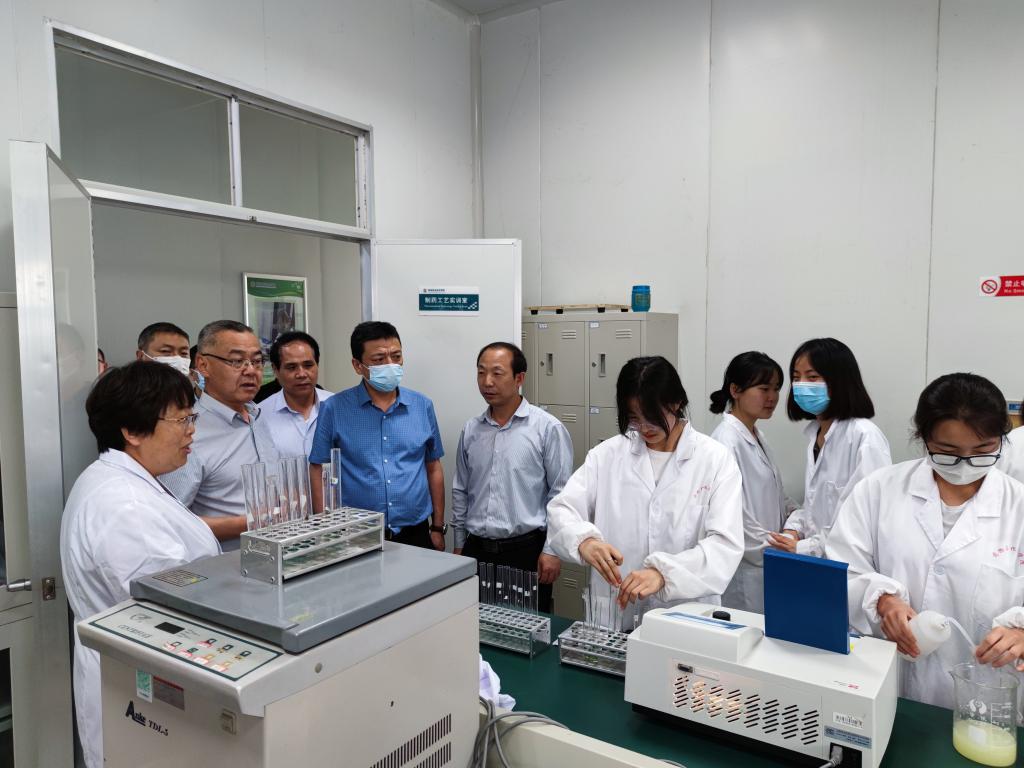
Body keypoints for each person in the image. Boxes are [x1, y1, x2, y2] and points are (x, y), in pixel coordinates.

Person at [826, 373, 1024, 709]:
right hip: (891, 687)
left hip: (988, 697)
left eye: (983, 450)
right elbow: (841, 569)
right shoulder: (879, 490)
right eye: (947, 451)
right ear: (923, 437)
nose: (965, 464)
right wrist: (882, 600)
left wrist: (1020, 633)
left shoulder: (1018, 506)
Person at [60, 361, 220, 768]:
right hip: (140, 685)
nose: (192, 431)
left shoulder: (123, 481)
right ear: (132, 431)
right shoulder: (124, 504)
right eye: (182, 419)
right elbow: (168, 608)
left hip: (135, 678)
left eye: (192, 418)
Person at [546, 356, 743, 628]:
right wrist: (584, 541)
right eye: (634, 418)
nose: (644, 428)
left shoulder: (715, 460)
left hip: (685, 619)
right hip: (616, 615)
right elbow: (561, 509)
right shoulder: (607, 456)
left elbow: (724, 546)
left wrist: (665, 574)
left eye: (652, 417)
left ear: (677, 402)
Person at [452, 342, 573, 612]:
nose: (487, 382)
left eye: (497, 373)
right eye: (481, 372)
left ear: (519, 378)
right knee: (472, 624)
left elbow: (561, 496)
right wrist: (459, 544)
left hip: (526, 552)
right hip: (476, 550)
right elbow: (461, 489)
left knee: (526, 627)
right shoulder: (471, 430)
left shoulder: (547, 428)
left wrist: (552, 550)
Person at [309, 321, 445, 549]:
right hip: (356, 533)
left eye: (396, 356)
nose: (390, 365)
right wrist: (325, 529)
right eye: (379, 359)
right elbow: (317, 468)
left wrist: (438, 527)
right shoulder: (334, 408)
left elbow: (433, 466)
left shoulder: (422, 406)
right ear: (357, 365)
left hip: (416, 531)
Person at [160, 320, 279, 549]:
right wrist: (251, 522)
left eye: (256, 361)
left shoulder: (257, 415)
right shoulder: (188, 432)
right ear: (203, 365)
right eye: (236, 361)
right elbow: (169, 521)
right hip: (226, 563)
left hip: (277, 555)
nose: (250, 371)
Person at [768, 338, 891, 557]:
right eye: (796, 378)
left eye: (812, 377)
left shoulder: (864, 437)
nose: (801, 385)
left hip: (850, 563)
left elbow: (866, 517)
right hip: (817, 560)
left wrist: (806, 547)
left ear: (840, 381)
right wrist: (793, 529)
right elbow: (815, 507)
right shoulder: (815, 434)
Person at [709, 351, 796, 613]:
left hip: (768, 561)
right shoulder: (726, 441)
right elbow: (734, 516)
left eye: (776, 389)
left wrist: (797, 523)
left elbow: (777, 495)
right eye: (764, 388)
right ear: (735, 390)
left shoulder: (756, 435)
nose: (772, 397)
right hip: (747, 569)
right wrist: (776, 546)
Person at [261, 331, 333, 458]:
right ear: (275, 370)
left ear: (317, 365)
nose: (302, 374)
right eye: (291, 367)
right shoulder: (260, 416)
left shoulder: (339, 406)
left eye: (308, 365)